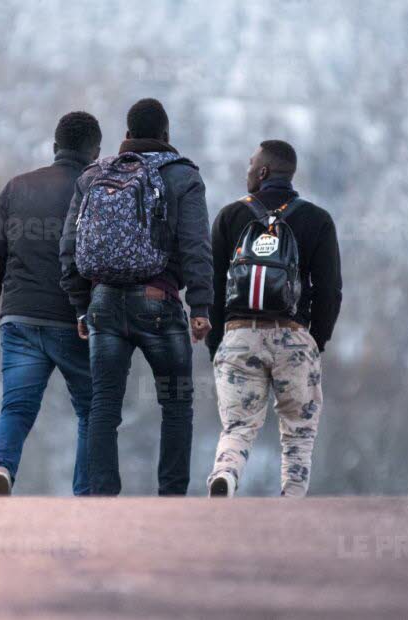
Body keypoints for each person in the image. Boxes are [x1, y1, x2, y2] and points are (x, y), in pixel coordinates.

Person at [60, 98, 213, 495]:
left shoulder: (94, 174)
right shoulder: (182, 175)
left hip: (104, 303)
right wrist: (200, 306)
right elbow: (196, 244)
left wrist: (81, 306)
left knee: (104, 406)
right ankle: (171, 499)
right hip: (158, 301)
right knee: (177, 404)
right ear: (166, 136)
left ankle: (104, 499)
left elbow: (69, 247)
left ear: (126, 135)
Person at [0, 111, 103, 496]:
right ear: (95, 152)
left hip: (20, 320)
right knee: (92, 412)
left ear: (55, 146)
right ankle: (86, 496)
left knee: (16, 409)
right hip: (76, 322)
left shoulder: (17, 188)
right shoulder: (97, 191)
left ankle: (1, 469)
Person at [205, 139, 342, 497]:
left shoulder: (230, 217)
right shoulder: (317, 220)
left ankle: (226, 475)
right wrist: (316, 341)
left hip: (238, 337)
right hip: (294, 339)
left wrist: (217, 343)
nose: (247, 169)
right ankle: (291, 503)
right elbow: (330, 291)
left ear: (263, 171)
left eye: (251, 164)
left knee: (237, 427)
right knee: (299, 432)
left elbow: (211, 286)